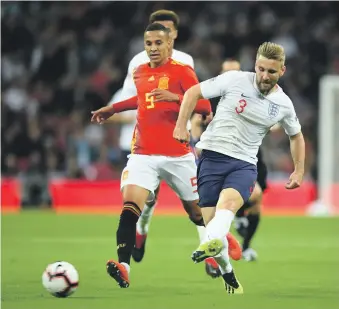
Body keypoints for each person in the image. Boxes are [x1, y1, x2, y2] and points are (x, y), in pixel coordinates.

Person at [91, 23, 240, 288]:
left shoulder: (182, 71)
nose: (153, 48)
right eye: (148, 44)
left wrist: (174, 97)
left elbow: (205, 107)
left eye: (158, 43)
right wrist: (112, 109)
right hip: (143, 155)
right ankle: (123, 266)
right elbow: (141, 99)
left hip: (178, 156)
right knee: (130, 206)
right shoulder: (139, 72)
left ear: (169, 44)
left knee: (197, 214)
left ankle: (220, 234)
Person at [173, 42, 305, 294]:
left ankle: (213, 244)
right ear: (255, 65)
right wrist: (181, 126)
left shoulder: (284, 104)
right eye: (261, 69)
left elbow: (296, 136)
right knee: (213, 227)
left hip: (243, 164)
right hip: (211, 159)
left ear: (283, 71)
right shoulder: (234, 79)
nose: (265, 76)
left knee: (229, 205)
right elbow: (192, 93)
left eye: (272, 72)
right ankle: (227, 271)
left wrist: (298, 170)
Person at [210, 59, 269, 262]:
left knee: (256, 201)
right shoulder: (211, 100)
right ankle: (236, 220)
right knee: (252, 195)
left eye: (236, 72)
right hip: (223, 158)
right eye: (227, 72)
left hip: (252, 156)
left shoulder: (254, 95)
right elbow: (198, 123)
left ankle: (245, 245)